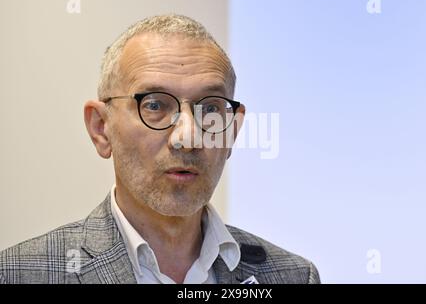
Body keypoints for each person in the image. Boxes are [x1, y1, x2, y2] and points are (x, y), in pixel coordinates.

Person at [0, 14, 320, 284]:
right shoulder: (21, 274)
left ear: (232, 131)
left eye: (210, 109)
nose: (188, 136)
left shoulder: (290, 276)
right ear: (101, 128)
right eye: (154, 104)